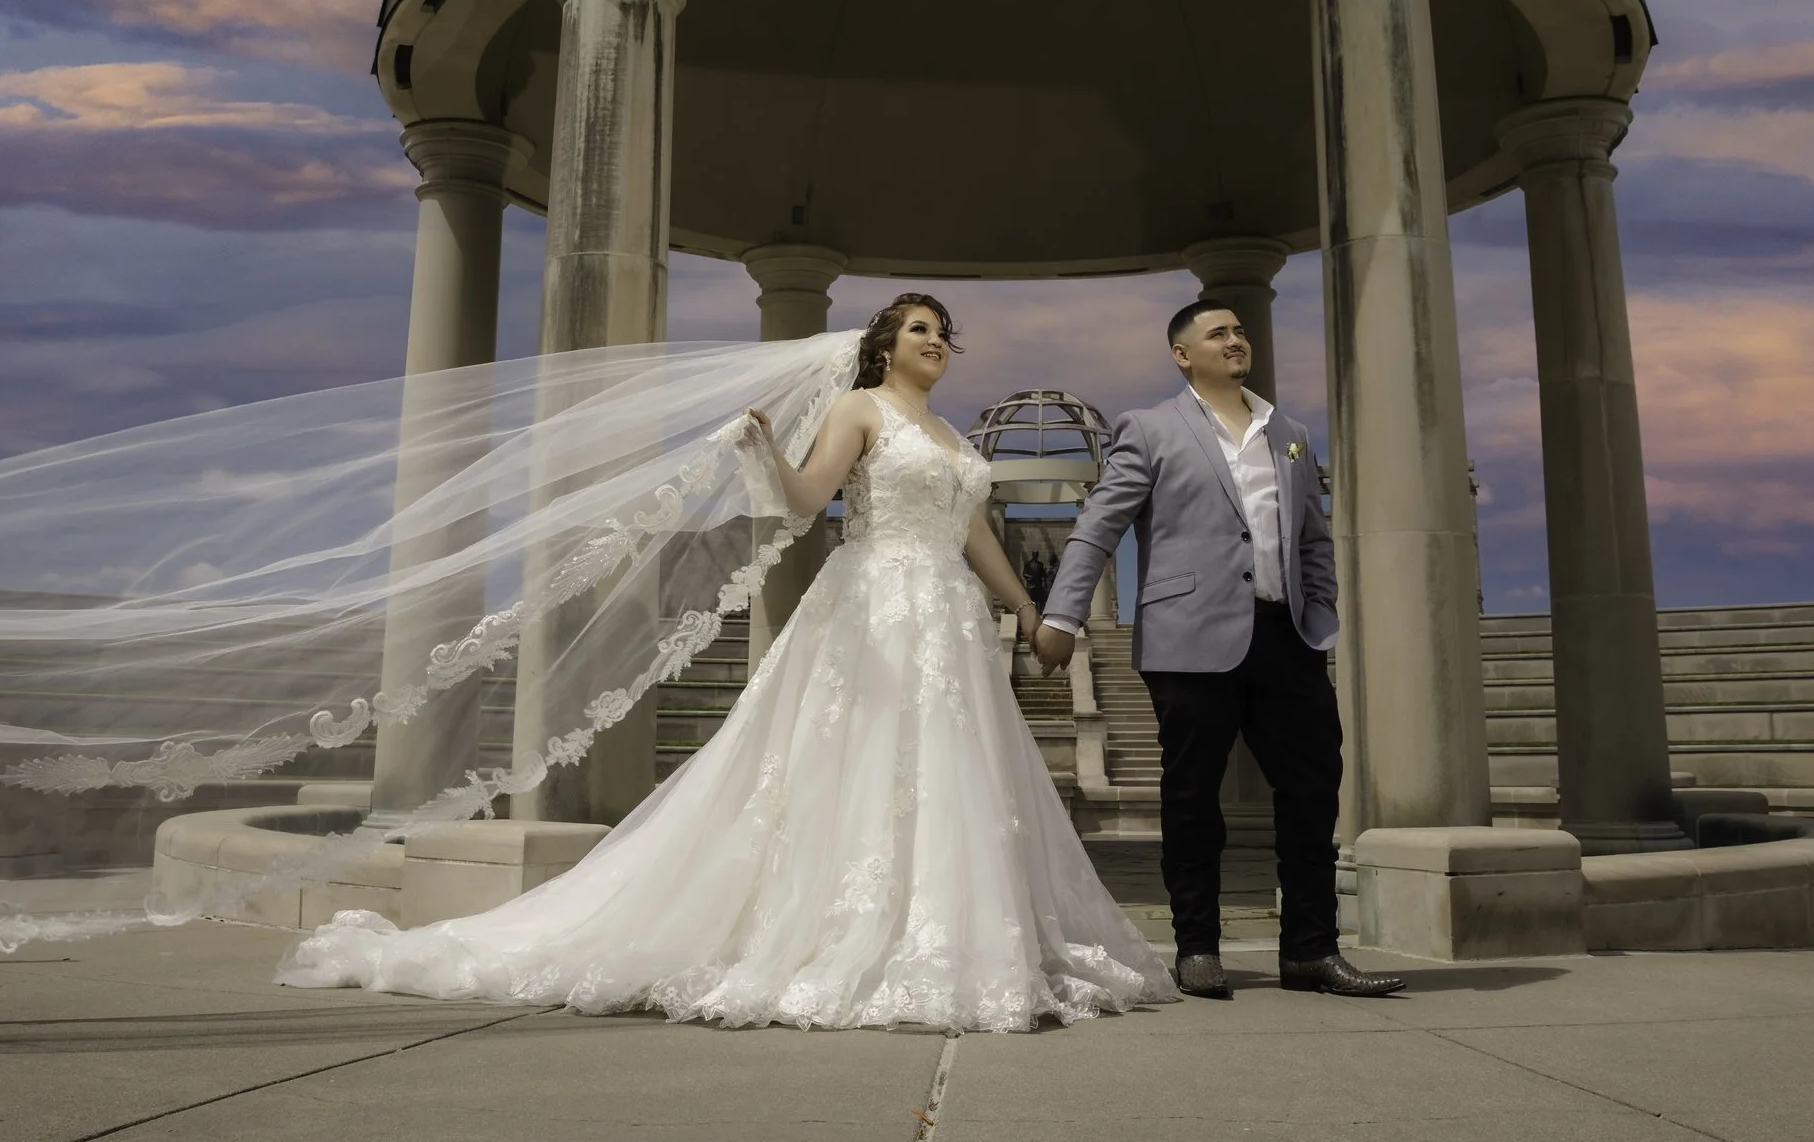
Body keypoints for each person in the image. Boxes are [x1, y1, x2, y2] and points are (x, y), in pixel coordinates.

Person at [278, 296, 1177, 1030]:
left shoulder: (950, 437)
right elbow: (806, 499)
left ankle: (953, 934)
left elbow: (975, 530)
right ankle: (840, 932)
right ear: (882, 346)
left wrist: (1024, 607)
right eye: (919, 329)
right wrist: (765, 454)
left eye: (944, 333)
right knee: (852, 762)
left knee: (952, 775)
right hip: (872, 609)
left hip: (947, 618)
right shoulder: (858, 411)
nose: (937, 342)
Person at [1037, 303, 1404, 1001]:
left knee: (1311, 790)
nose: (1236, 341)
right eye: (1219, 334)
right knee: (1191, 796)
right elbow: (1098, 527)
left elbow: (1314, 539)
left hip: (1287, 639)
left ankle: (1310, 950)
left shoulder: (1289, 435)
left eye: (1240, 332)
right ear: (1183, 355)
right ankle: (1198, 947)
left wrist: (1318, 610)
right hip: (1187, 640)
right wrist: (1063, 612)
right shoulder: (1148, 429)